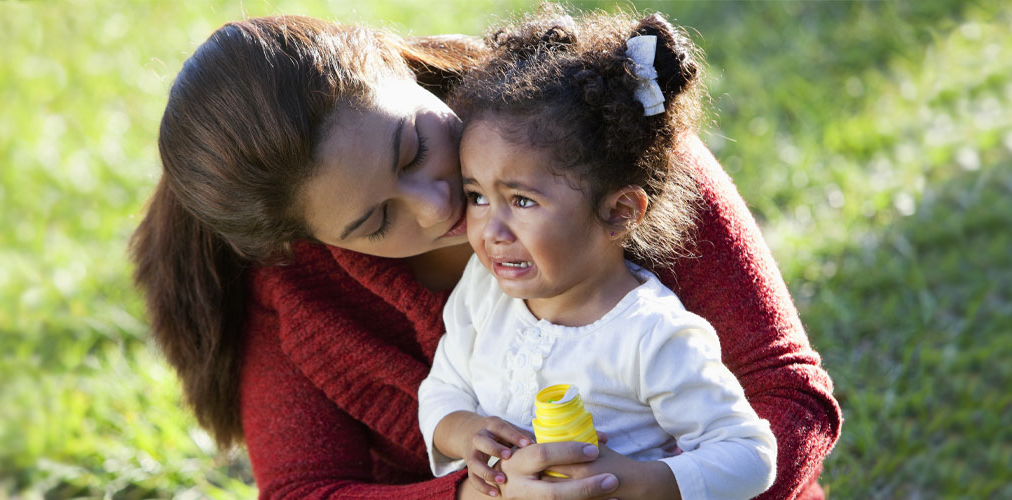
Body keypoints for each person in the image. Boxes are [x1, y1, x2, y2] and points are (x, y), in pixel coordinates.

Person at [130, 7, 841, 500]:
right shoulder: (296, 289)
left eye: (412, 148)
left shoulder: (599, 131)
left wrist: (661, 488)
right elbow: (301, 489)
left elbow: (786, 394)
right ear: (307, 243)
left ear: (395, 64)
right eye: (377, 220)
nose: (438, 207)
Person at [418, 11, 776, 500]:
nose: (490, 231)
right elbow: (442, 389)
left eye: (522, 200)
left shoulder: (651, 336)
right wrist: (465, 433)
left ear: (619, 211)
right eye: (477, 195)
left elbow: (750, 455)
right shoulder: (484, 291)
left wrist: (642, 482)